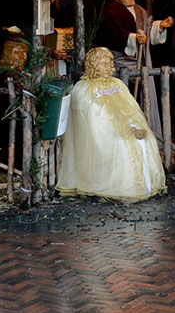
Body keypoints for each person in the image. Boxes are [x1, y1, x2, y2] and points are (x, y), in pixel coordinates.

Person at [57, 47, 166, 203]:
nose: (112, 68)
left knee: (146, 141)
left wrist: (133, 126)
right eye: (107, 64)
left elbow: (130, 109)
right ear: (95, 65)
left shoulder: (117, 84)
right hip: (104, 135)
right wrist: (121, 131)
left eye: (111, 64)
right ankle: (117, 187)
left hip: (126, 127)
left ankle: (146, 186)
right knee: (123, 144)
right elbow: (96, 120)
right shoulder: (83, 90)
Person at [95, 0, 174, 138]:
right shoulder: (112, 9)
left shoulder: (139, 10)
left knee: (143, 95)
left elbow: (148, 27)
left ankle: (146, 129)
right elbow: (114, 33)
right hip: (121, 61)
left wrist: (159, 26)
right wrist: (132, 38)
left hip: (141, 61)